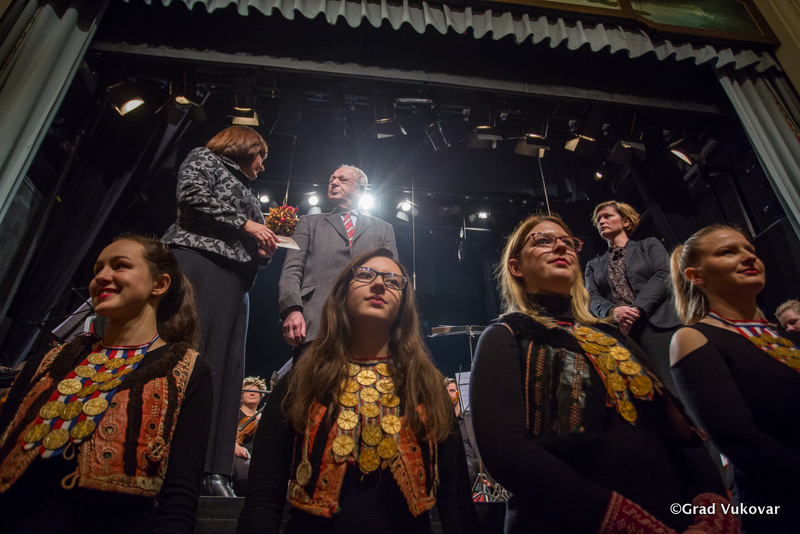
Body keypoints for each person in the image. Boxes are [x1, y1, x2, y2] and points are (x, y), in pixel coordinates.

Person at [471, 214, 735, 534]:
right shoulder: (505, 336)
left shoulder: (614, 335)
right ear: (516, 267)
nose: (561, 247)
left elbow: (679, 432)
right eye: (543, 241)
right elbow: (506, 451)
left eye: (568, 242)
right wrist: (627, 521)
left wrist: (713, 510)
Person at [238, 248, 478, 534]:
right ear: (342, 294)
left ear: (404, 304)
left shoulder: (428, 389)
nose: (379, 284)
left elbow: (457, 505)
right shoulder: (300, 383)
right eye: (365, 275)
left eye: (392, 281)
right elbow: (263, 499)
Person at [0, 234, 212, 533]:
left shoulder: (186, 369)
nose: (101, 276)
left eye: (119, 265)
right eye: (97, 269)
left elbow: (179, 494)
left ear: (159, 284)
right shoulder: (47, 362)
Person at [163, 125, 278, 496]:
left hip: (234, 280)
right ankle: (169, 461)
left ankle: (214, 469)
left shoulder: (248, 190)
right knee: (189, 358)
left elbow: (246, 236)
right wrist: (247, 224)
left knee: (226, 371)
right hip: (198, 263)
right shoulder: (204, 158)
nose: (262, 166)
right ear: (244, 147)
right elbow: (191, 195)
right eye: (260, 156)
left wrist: (262, 252)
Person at [670, 224, 800, 533]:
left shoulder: (788, 336)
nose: (748, 257)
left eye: (750, 250)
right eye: (728, 252)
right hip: (780, 506)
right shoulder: (694, 338)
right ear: (696, 276)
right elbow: (741, 440)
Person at [279, 165, 397, 352]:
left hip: (368, 328)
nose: (333, 183)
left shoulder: (383, 229)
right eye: (332, 180)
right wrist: (292, 309)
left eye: (343, 180)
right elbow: (291, 270)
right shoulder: (309, 223)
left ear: (361, 189)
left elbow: (392, 278)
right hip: (316, 323)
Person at [585, 200, 681, 394]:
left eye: (608, 216)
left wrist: (636, 309)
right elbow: (592, 297)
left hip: (658, 326)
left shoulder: (649, 245)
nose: (601, 221)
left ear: (626, 221)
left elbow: (664, 274)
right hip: (623, 335)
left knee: (674, 387)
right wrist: (613, 311)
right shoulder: (593, 265)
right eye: (598, 219)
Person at [232, 376, 268, 495]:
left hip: (257, 458)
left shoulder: (265, 418)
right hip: (238, 456)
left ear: (261, 396)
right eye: (248, 391)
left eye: (255, 391)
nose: (252, 393)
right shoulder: (233, 414)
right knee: (247, 472)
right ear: (241, 396)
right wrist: (234, 447)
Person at [445, 377, 480, 487]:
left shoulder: (471, 419)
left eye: (452, 391)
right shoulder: (441, 423)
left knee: (466, 466)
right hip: (450, 462)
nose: (449, 394)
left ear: (458, 393)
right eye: (446, 392)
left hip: (470, 462)